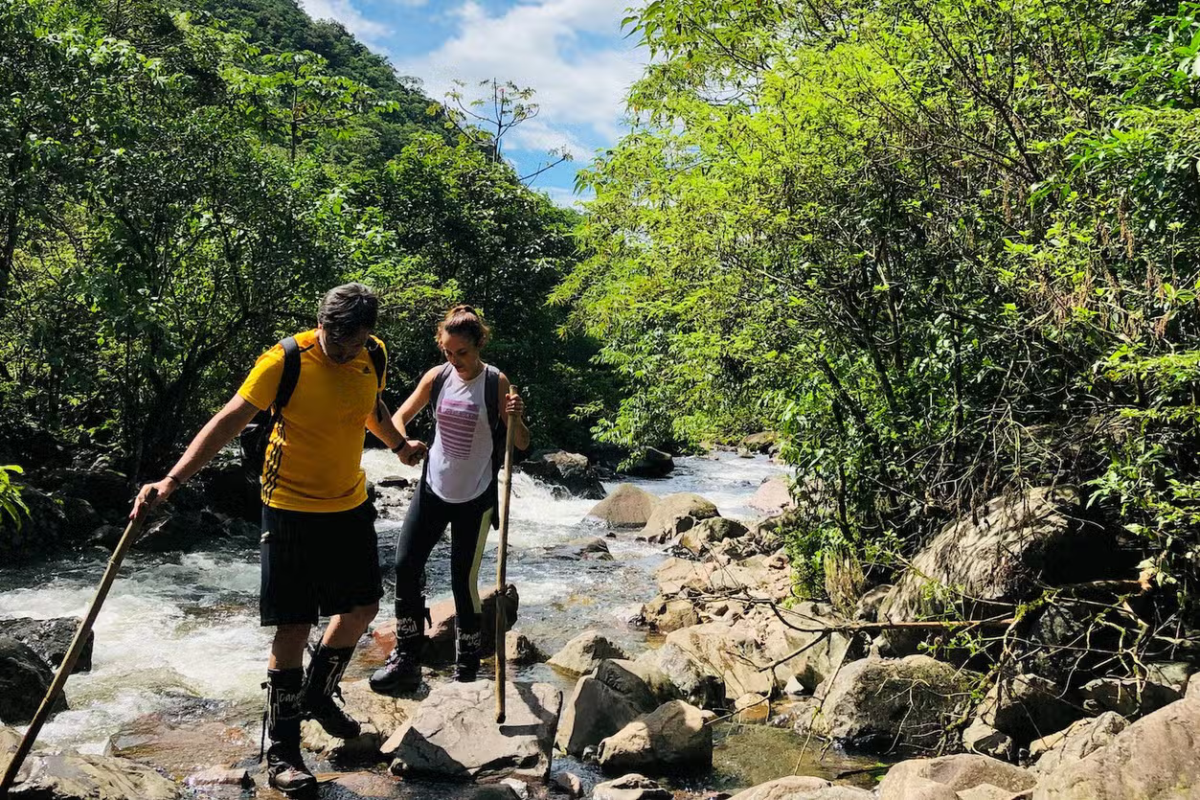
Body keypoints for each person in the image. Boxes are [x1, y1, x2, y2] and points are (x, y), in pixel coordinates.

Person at [130, 283, 426, 796]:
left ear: (368, 335)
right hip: (288, 506)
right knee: (292, 628)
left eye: (354, 342)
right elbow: (226, 421)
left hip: (349, 501)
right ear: (322, 326)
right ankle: (283, 752)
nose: (344, 351)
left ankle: (316, 693)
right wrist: (171, 481)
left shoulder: (372, 354)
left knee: (361, 610)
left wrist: (398, 445)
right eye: (337, 341)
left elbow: (370, 407)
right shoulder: (284, 361)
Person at [369, 305, 530, 695]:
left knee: (463, 581)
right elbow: (399, 418)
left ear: (478, 346)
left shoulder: (495, 382)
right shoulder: (437, 377)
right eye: (447, 352)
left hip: (475, 496)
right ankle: (407, 657)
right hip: (432, 488)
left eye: (462, 353)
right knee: (406, 566)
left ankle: (467, 669)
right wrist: (402, 444)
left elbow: (521, 444)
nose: (454, 360)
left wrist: (517, 416)